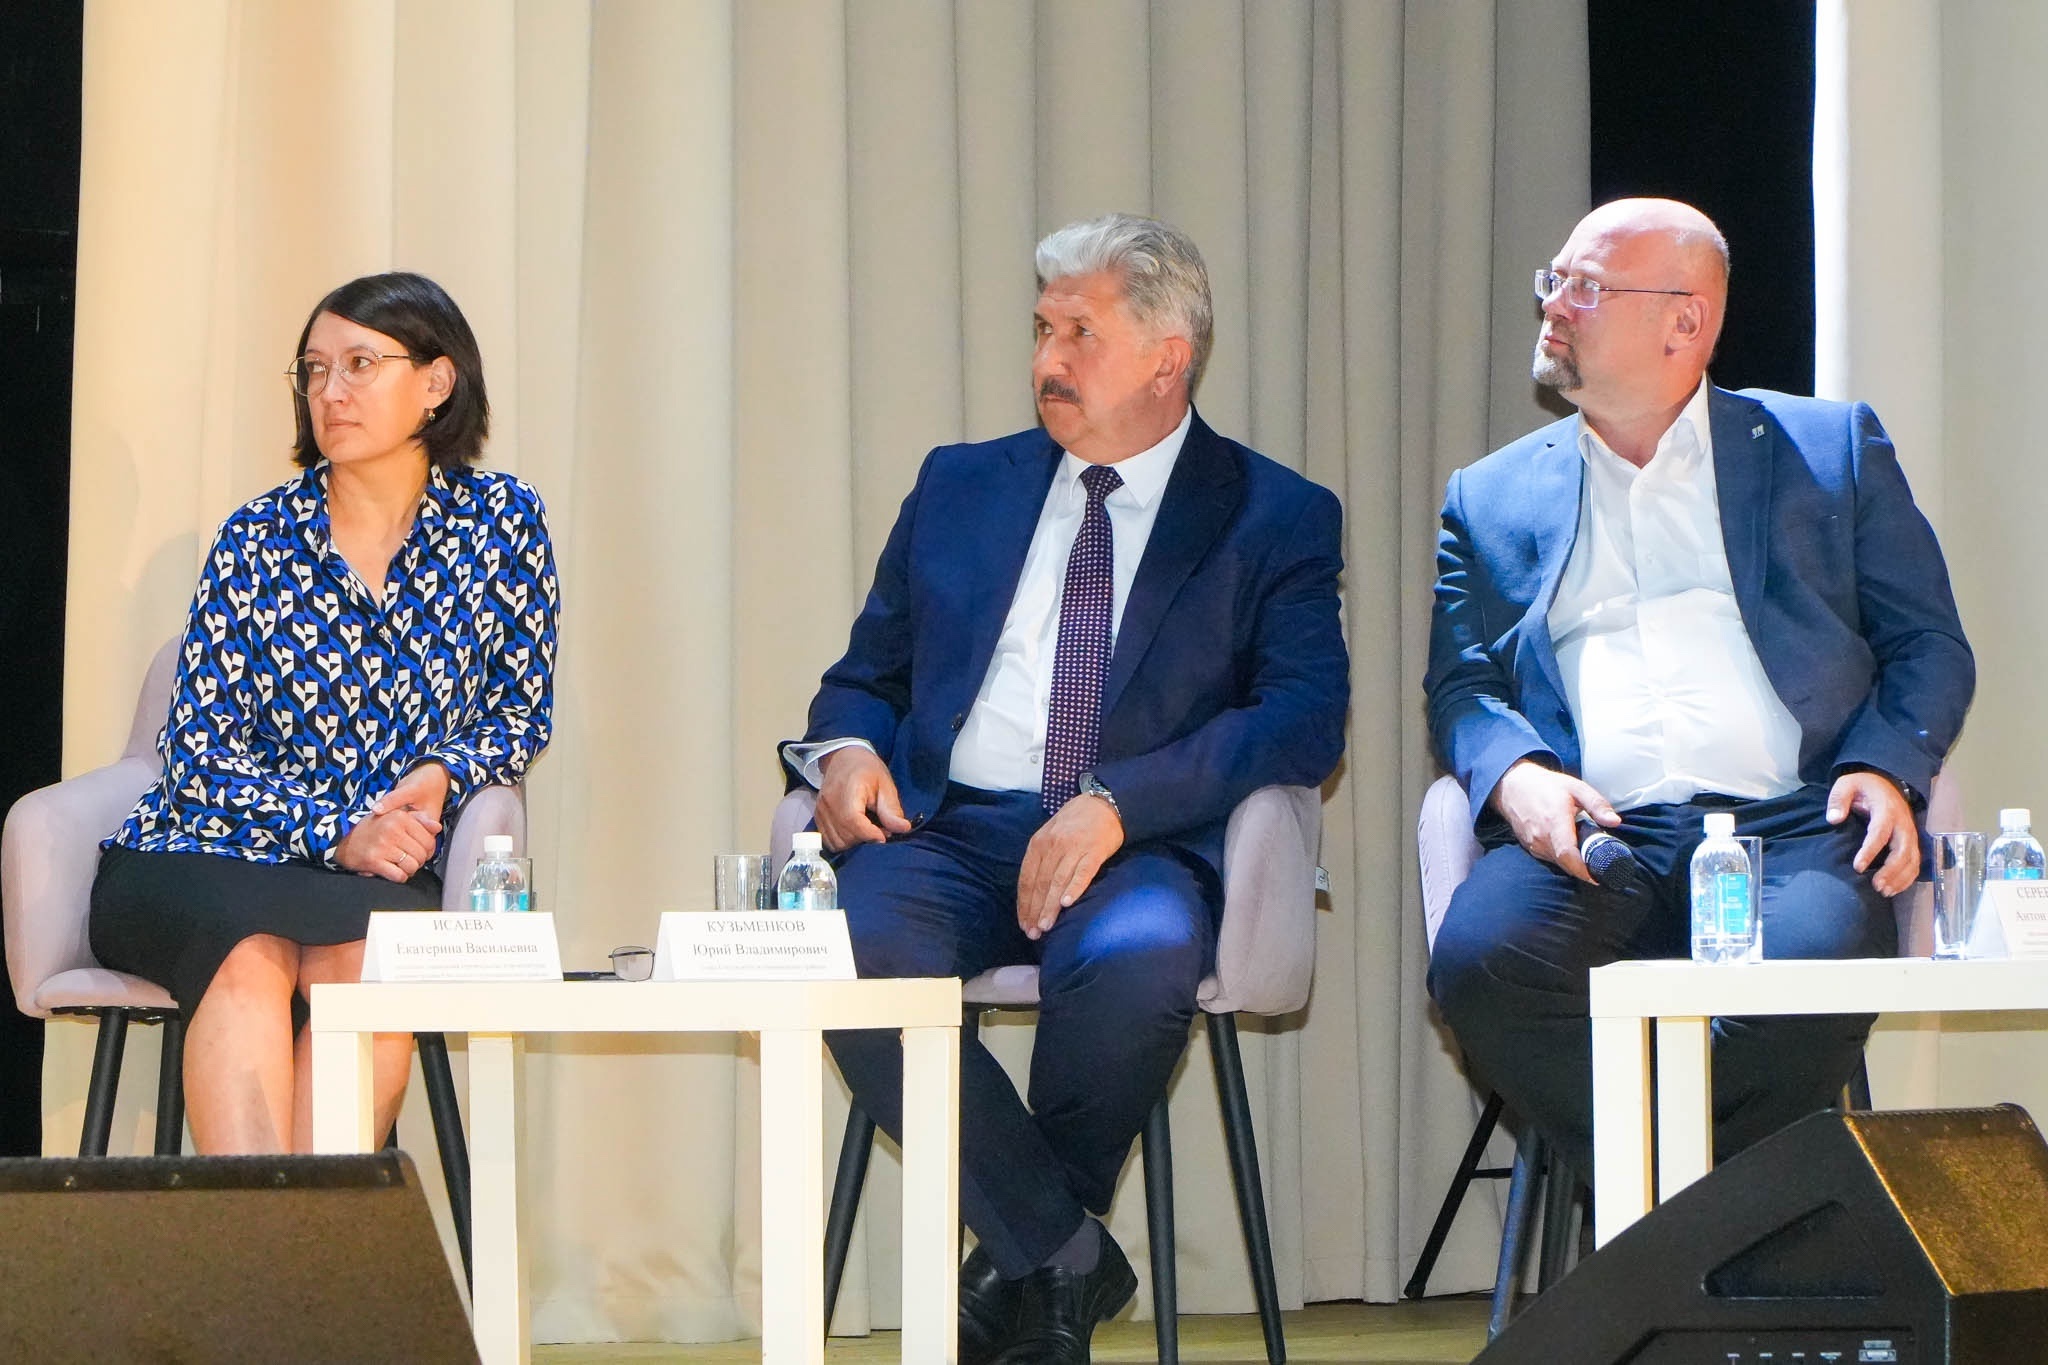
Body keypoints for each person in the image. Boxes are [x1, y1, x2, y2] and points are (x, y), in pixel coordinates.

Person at [785, 213, 1347, 1364]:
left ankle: (1021, 1267)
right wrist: (843, 753)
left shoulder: (1272, 514)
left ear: (1165, 358)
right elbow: (864, 677)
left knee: (1137, 964)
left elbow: (1301, 718)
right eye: (1042, 330)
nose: (1046, 358)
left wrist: (1120, 803)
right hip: (947, 830)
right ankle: (1061, 1253)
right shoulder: (960, 484)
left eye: (1077, 334)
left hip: (1134, 841)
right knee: (840, 959)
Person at [1423, 198, 1975, 1180]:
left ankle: (1651, 1220)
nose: (1552, 305)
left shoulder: (1828, 450)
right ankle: (1711, 1226)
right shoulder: (1489, 494)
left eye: (1585, 287)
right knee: (1481, 966)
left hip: (1792, 825)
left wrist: (1887, 766)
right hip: (1596, 834)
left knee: (1807, 979)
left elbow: (1928, 644)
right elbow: (1462, 684)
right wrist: (1515, 776)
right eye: (1552, 281)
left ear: (1684, 320)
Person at [89, 271, 560, 1156]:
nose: (329, 391)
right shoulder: (257, 537)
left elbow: (519, 708)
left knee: (369, 961)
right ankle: (269, 1240)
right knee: (247, 952)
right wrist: (336, 830)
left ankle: (308, 1235)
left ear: (437, 381)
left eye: (358, 365)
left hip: (377, 870)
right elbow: (197, 750)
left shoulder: (504, 522)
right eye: (313, 369)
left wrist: (445, 771)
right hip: (207, 851)